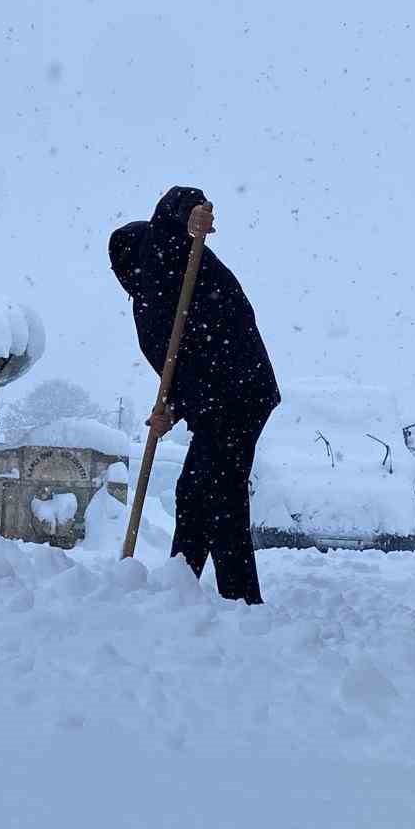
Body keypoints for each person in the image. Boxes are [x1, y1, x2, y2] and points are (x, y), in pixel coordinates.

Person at [108, 186, 281, 604]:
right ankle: (180, 582)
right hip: (218, 396)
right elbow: (183, 366)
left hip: (238, 389)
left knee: (221, 490)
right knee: (195, 489)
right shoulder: (155, 297)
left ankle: (240, 601)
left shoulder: (166, 257)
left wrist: (190, 212)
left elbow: (173, 204)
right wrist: (171, 408)